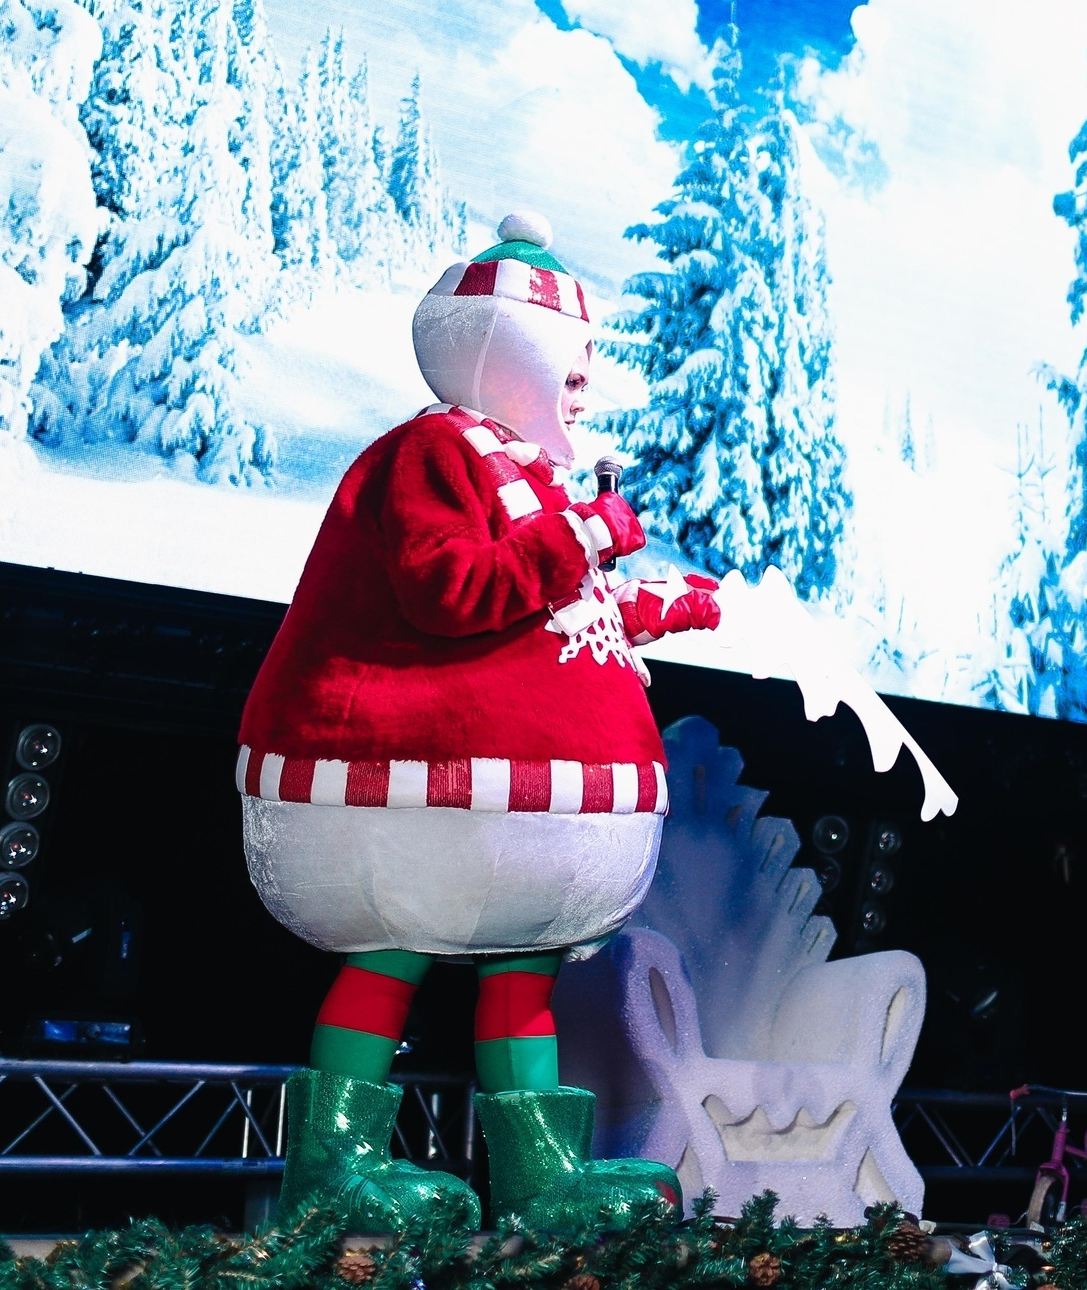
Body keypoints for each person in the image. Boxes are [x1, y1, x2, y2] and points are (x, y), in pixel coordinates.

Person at [236, 212, 723, 1232]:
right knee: (390, 953)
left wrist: (668, 603)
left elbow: (561, 610)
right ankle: (334, 1166)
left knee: (522, 975)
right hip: (415, 799)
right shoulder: (430, 453)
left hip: (519, 823)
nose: (583, 384)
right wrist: (586, 532)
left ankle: (541, 1180)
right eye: (571, 361)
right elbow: (453, 588)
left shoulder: (529, 475)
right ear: (509, 349)